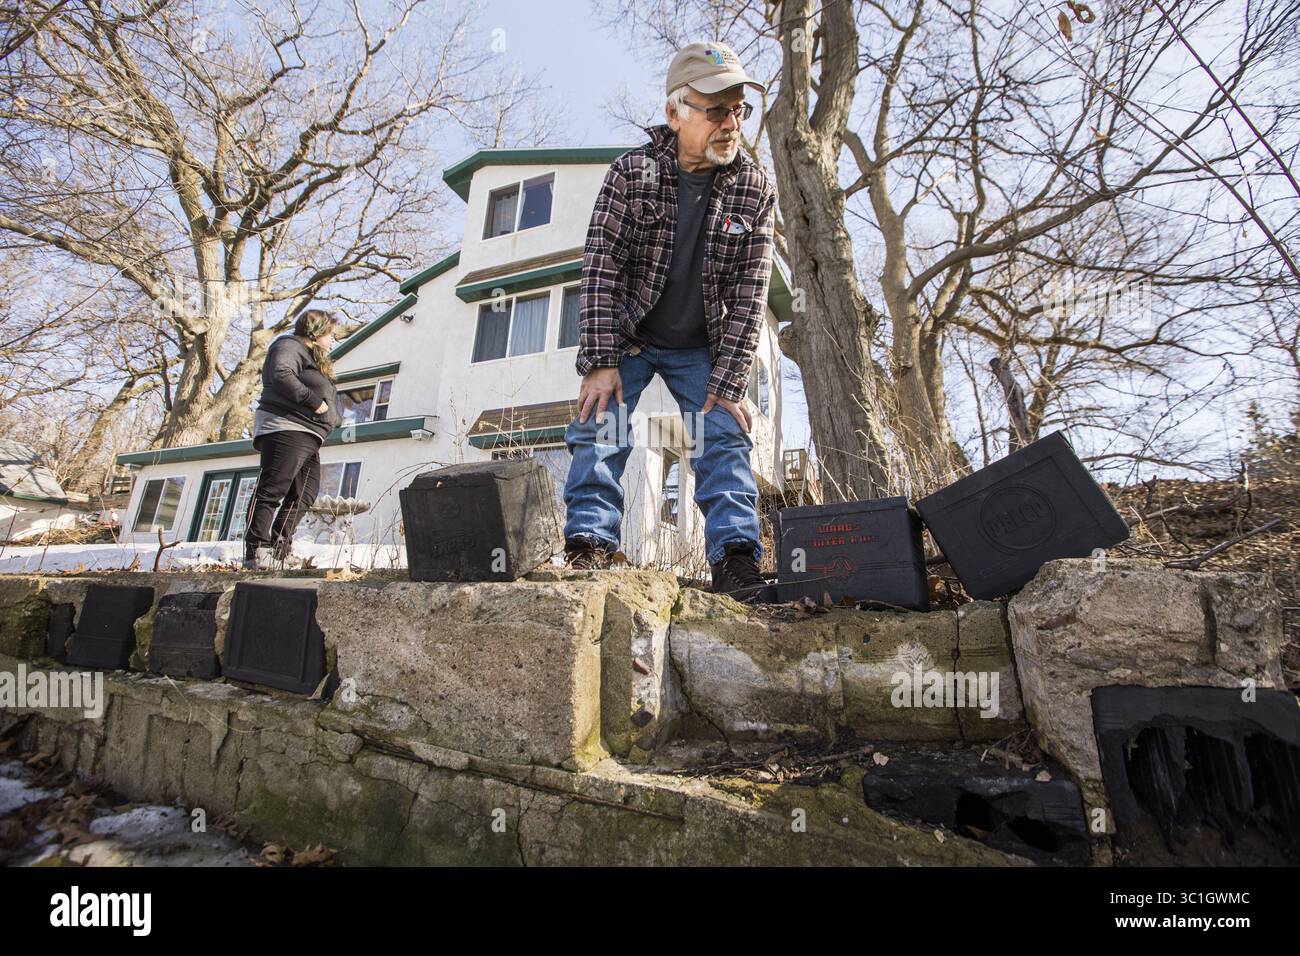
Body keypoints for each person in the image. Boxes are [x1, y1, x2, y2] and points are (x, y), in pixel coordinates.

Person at [562, 40, 777, 603]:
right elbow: (602, 267)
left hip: (701, 343)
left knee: (724, 435)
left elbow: (750, 294)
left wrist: (729, 384)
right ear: (675, 112)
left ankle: (735, 560)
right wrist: (602, 361)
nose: (731, 123)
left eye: (738, 110)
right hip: (632, 336)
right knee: (599, 421)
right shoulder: (631, 173)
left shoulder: (755, 191)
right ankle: (591, 544)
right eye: (715, 110)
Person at [242, 309, 342, 570]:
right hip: (286, 426)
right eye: (331, 334)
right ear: (316, 331)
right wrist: (315, 402)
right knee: (273, 488)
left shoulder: (314, 360)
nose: (332, 340)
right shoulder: (289, 345)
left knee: (305, 494)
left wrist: (331, 416)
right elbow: (281, 374)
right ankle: (256, 549)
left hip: (311, 433)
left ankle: (279, 548)